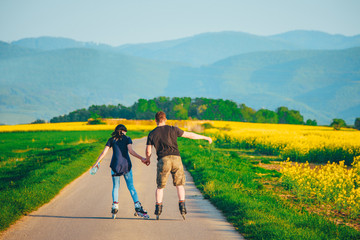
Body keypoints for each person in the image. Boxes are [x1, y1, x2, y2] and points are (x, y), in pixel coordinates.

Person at [145, 111, 212, 219]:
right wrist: (205, 137)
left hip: (163, 160)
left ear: (155, 120)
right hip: (176, 159)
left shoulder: (152, 133)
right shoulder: (173, 129)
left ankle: (158, 209)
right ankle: (183, 207)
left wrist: (147, 159)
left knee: (160, 186)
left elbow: (148, 151)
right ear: (165, 119)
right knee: (179, 185)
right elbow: (190, 135)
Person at [92, 124, 149, 218]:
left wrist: (96, 163)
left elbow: (103, 152)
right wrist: (142, 158)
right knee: (131, 186)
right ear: (124, 131)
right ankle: (137, 206)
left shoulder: (111, 140)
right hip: (126, 165)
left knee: (116, 186)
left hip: (115, 166)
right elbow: (131, 151)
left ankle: (115, 205)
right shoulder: (127, 138)